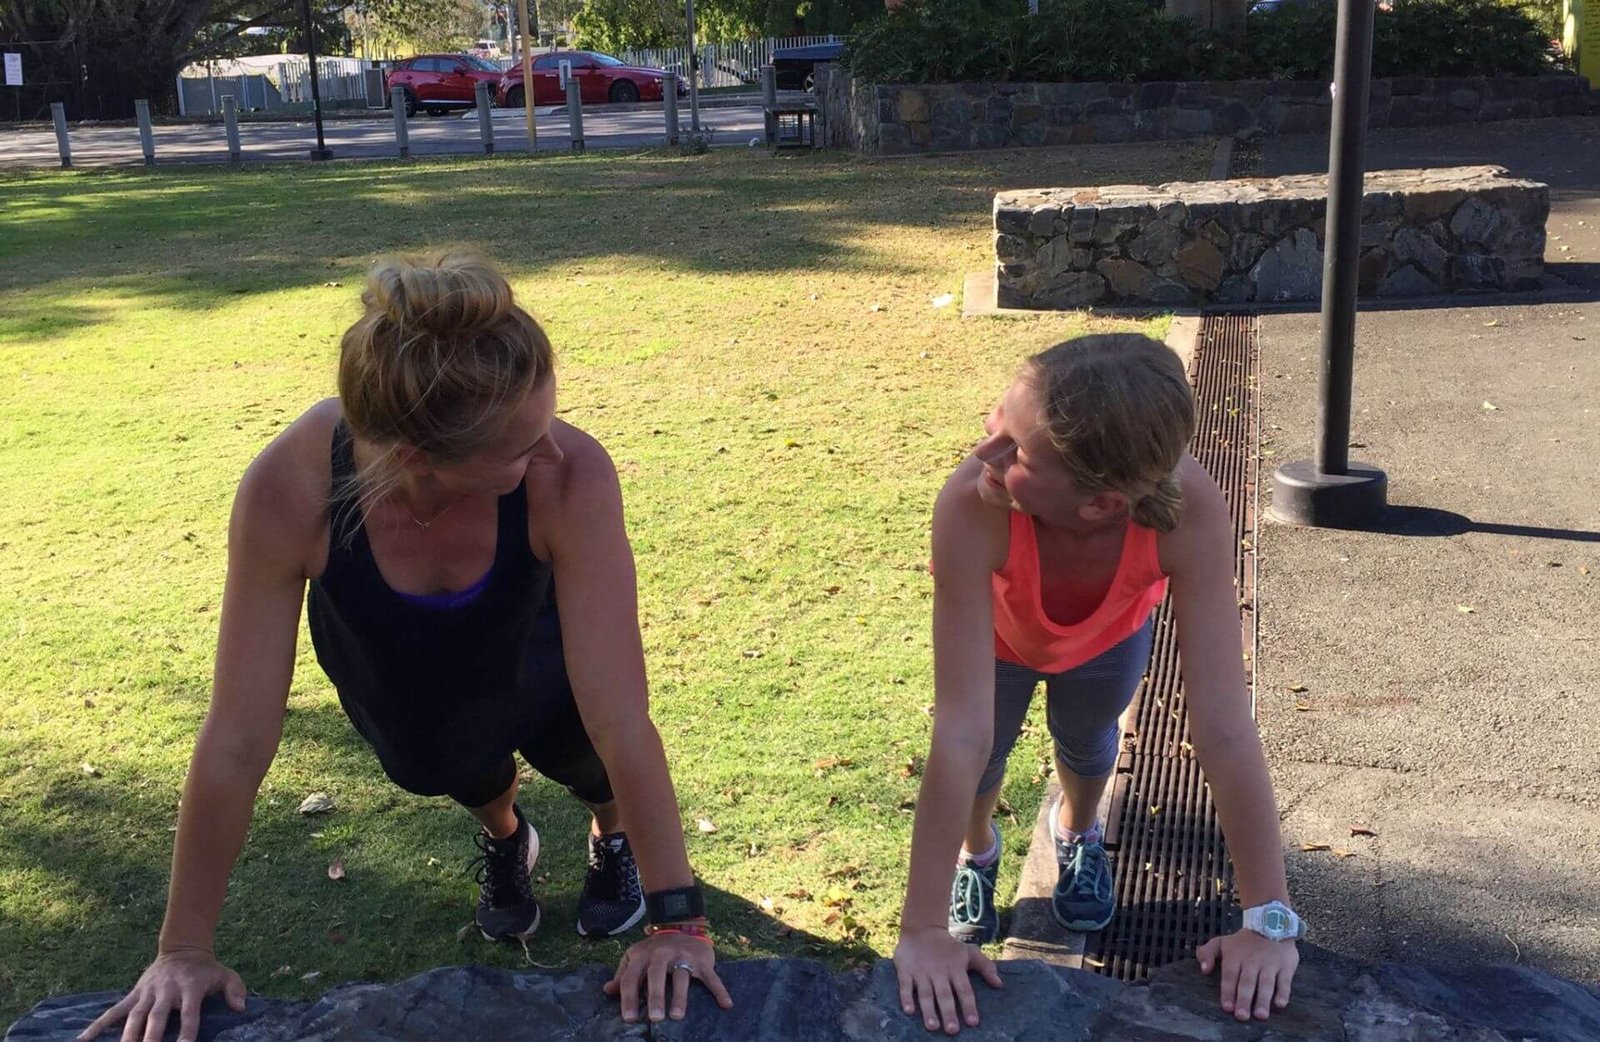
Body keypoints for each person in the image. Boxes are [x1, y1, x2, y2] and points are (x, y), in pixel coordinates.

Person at [79, 253, 732, 1042]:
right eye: (523, 445)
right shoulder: (291, 487)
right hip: (383, 640)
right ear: (421, 458)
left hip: (532, 626)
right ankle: (505, 835)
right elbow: (237, 737)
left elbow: (622, 719)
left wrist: (678, 928)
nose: (553, 451)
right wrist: (182, 950)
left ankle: (609, 834)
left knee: (585, 752)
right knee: (436, 764)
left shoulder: (572, 475)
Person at [892, 334, 1302, 1034]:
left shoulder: (1189, 506)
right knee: (984, 761)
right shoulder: (971, 501)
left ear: (1102, 504)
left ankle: (1078, 833)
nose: (981, 452)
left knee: (1086, 743)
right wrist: (921, 928)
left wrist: (1268, 919)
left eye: (1013, 452)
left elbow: (1225, 728)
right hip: (999, 640)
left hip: (1109, 637)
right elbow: (960, 730)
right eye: (998, 420)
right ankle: (978, 850)